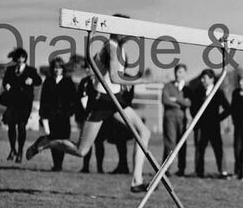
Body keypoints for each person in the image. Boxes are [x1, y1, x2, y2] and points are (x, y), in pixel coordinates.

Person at [25, 16, 154, 193]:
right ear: (117, 29)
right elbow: (115, 76)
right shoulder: (111, 47)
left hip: (115, 98)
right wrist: (142, 80)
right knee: (81, 151)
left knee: (143, 132)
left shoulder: (120, 49)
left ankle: (136, 180)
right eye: (126, 28)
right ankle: (48, 142)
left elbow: (112, 76)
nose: (130, 32)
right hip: (102, 100)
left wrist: (120, 81)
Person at [77, 71, 131, 175]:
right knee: (82, 149)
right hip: (94, 115)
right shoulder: (89, 81)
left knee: (141, 134)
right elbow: (81, 97)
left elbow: (128, 96)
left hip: (113, 114)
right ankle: (85, 166)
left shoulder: (123, 78)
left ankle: (123, 169)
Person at [1, 48, 42, 163]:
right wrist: (6, 85)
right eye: (18, 57)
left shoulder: (31, 70)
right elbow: (5, 81)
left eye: (22, 57)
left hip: (25, 103)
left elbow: (39, 81)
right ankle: (12, 150)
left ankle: (20, 152)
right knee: (11, 126)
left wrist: (32, 81)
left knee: (22, 126)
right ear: (16, 58)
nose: (20, 59)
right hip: (12, 102)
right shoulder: (10, 70)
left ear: (25, 58)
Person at [37, 57, 79, 171]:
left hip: (64, 116)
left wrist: (70, 112)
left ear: (62, 69)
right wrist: (42, 114)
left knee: (62, 140)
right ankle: (56, 164)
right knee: (53, 140)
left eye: (59, 67)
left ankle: (59, 164)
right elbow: (43, 99)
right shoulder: (48, 81)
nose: (57, 69)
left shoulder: (68, 81)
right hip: (51, 116)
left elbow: (74, 99)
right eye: (55, 67)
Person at [190, 69, 231, 179]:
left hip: (213, 126)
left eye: (205, 78)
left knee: (218, 148)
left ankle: (223, 171)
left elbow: (228, 109)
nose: (202, 80)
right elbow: (192, 108)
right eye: (202, 78)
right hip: (200, 126)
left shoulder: (218, 92)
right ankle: (199, 171)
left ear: (212, 79)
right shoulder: (197, 91)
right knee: (199, 148)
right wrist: (196, 119)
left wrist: (217, 119)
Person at [161, 63, 192, 177]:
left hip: (182, 119)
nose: (178, 75)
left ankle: (181, 168)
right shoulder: (168, 86)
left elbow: (188, 102)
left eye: (180, 72)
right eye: (176, 72)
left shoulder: (188, 88)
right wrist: (180, 103)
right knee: (170, 143)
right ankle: (166, 169)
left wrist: (177, 99)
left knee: (182, 143)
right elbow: (165, 100)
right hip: (170, 118)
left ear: (184, 73)